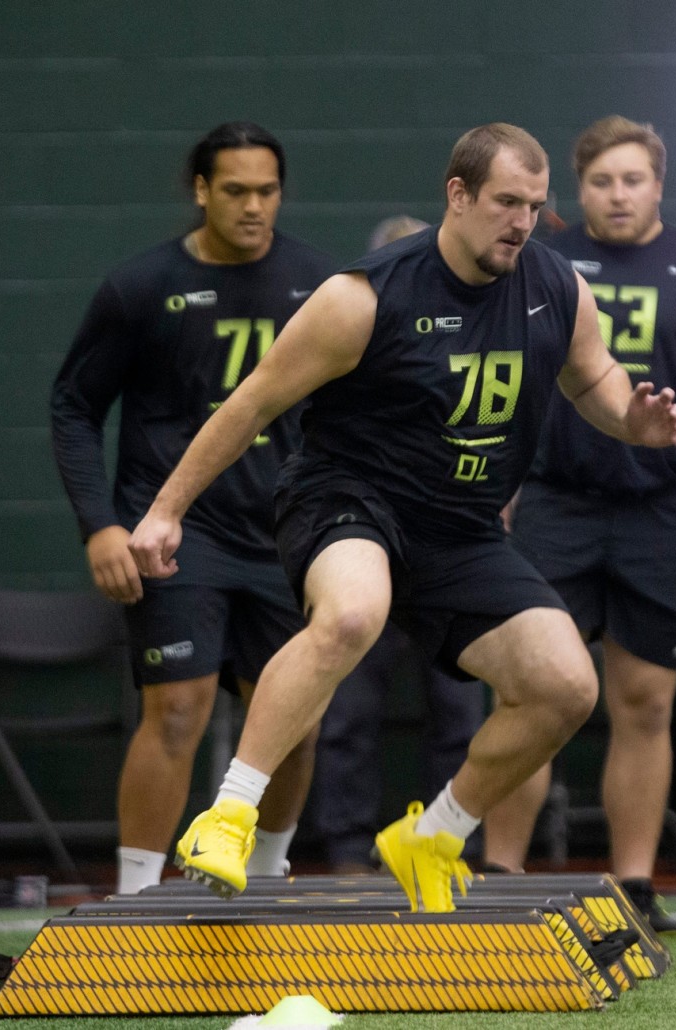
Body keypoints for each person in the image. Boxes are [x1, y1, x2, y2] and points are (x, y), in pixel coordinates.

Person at [126, 122, 676, 914]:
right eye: (504, 203)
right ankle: (227, 815)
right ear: (456, 197)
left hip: (459, 525)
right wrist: (164, 513)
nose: (521, 222)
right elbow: (251, 400)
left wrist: (637, 424)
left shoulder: (557, 287)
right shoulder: (365, 296)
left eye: (533, 205)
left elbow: (593, 380)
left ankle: (434, 834)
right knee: (356, 611)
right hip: (349, 498)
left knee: (566, 685)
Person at [480, 115, 676, 932]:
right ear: (579, 191)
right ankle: (499, 877)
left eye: (633, 179)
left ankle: (635, 889)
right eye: (603, 181)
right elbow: (499, 371)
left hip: (663, 510)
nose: (619, 194)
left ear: (658, 184)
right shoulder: (539, 264)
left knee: (644, 701)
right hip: (555, 504)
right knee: (530, 688)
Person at [50, 121, 333, 894]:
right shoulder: (140, 287)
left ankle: (269, 884)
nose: (252, 207)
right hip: (176, 532)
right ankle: (136, 900)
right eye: (234, 190)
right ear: (201, 190)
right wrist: (101, 524)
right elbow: (74, 406)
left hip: (284, 535)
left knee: (296, 725)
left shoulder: (320, 285)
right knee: (177, 711)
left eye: (267, 191)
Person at [309, 215, 486, 873]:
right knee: (348, 710)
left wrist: (491, 513)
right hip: (366, 545)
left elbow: (505, 440)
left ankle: (445, 846)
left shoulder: (479, 339)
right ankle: (349, 849)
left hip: (452, 548)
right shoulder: (346, 340)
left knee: (459, 712)